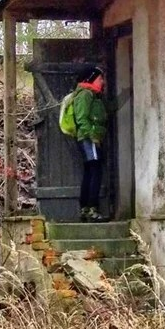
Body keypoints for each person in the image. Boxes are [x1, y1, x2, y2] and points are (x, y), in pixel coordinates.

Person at [72, 65, 108, 222]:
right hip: (89, 139)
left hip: (90, 138)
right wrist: (92, 136)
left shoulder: (93, 95)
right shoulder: (85, 94)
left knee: (91, 171)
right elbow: (81, 119)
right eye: (100, 79)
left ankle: (85, 209)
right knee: (95, 171)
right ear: (91, 79)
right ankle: (91, 209)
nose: (103, 82)